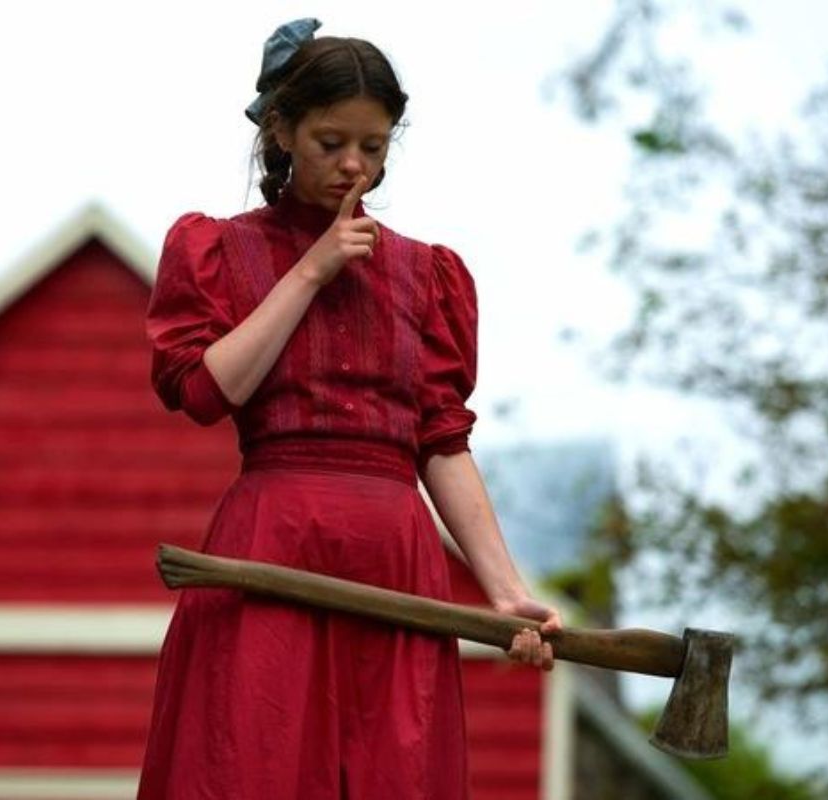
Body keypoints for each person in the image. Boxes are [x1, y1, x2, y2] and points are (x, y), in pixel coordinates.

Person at [139, 19, 562, 799]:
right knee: (250, 766)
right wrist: (311, 270)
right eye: (332, 142)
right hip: (272, 544)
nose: (354, 165)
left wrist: (505, 591)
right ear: (281, 131)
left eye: (374, 145)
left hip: (397, 559)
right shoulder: (218, 250)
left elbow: (440, 440)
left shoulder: (424, 273)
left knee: (390, 775)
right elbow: (205, 391)